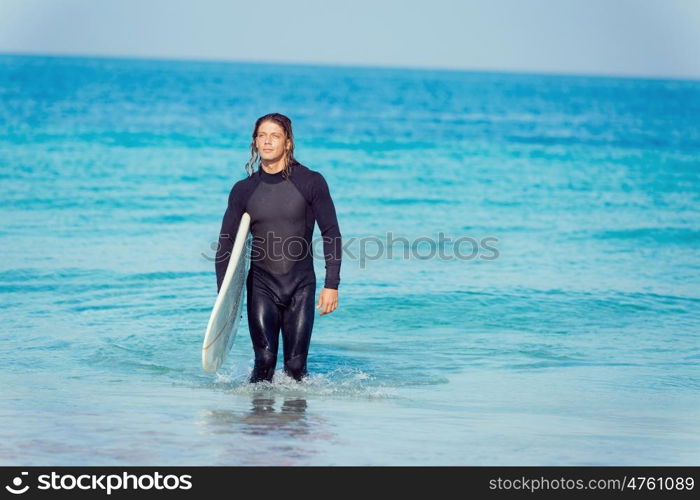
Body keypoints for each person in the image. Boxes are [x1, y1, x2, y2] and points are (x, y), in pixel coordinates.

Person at [215, 113, 341, 383]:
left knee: (296, 368)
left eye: (275, 136)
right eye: (262, 135)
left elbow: (331, 233)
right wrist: (224, 299)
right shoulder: (243, 190)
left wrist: (332, 284)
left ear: (288, 142)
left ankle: (294, 424)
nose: (267, 141)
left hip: (300, 286)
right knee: (265, 363)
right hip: (261, 286)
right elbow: (226, 243)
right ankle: (257, 424)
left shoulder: (311, 182)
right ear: (254, 142)